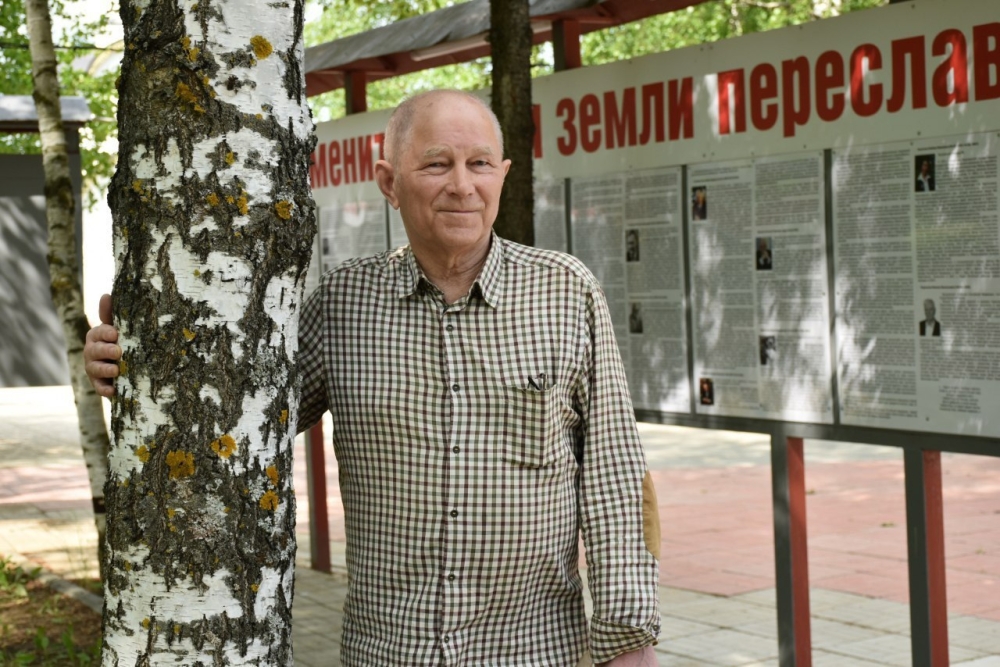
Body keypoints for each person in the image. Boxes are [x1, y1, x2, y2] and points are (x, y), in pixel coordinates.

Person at [85, 90, 660, 666]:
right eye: (437, 164)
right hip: (388, 651)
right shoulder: (343, 303)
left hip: (535, 651)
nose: (462, 185)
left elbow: (614, 477)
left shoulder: (567, 292)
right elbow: (242, 416)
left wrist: (628, 640)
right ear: (389, 182)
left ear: (503, 175)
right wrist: (139, 370)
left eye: (480, 163)